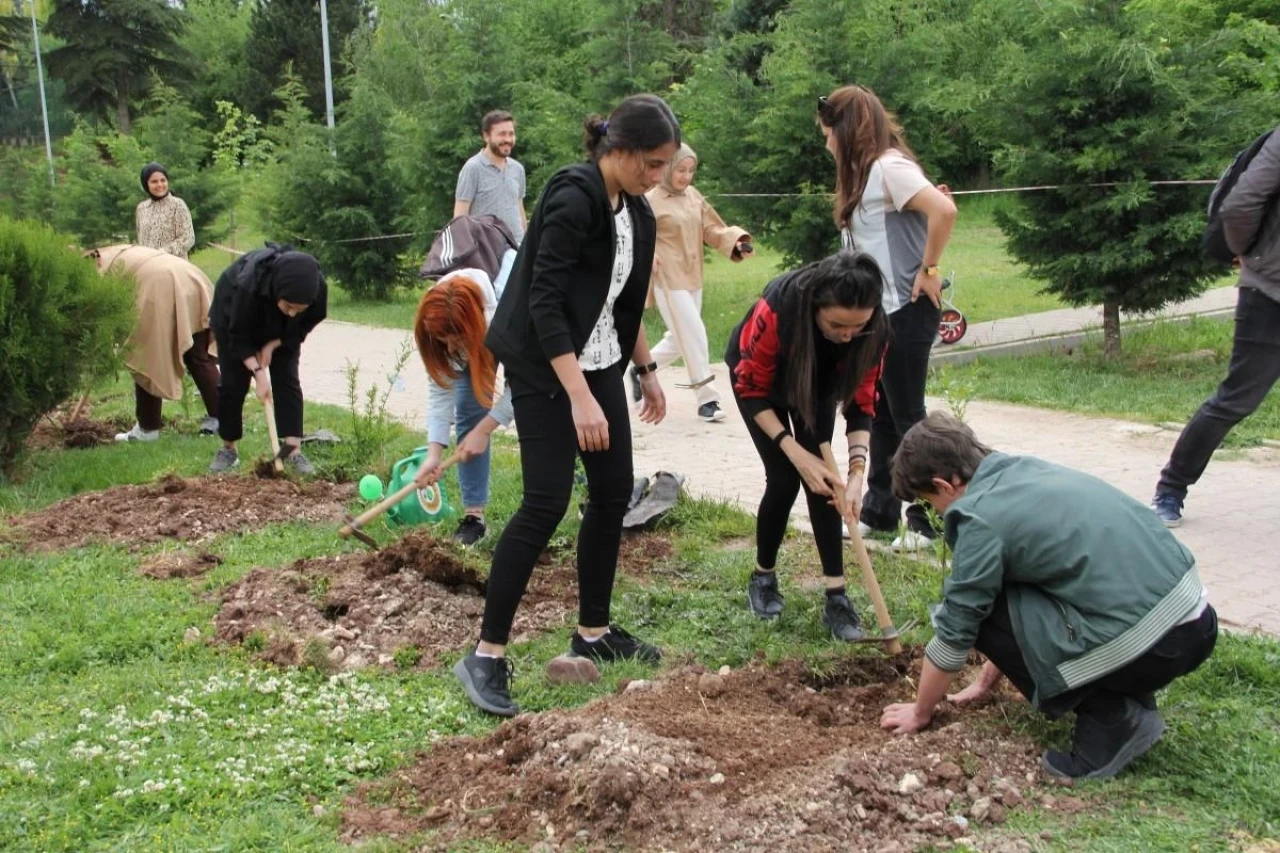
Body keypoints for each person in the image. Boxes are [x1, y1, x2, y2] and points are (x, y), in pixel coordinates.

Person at [453, 94, 680, 717]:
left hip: (600, 360)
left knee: (611, 493)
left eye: (666, 166)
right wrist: (577, 397)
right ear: (621, 149)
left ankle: (594, 633)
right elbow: (546, 302)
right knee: (545, 501)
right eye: (652, 164)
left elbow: (621, 300)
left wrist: (646, 369)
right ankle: (486, 655)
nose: (658, 176)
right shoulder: (572, 195)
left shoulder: (636, 211)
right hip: (542, 361)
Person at [881, 413, 1217, 780]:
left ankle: (1110, 718)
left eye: (930, 501)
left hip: (1156, 646)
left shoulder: (978, 516)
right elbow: (1021, 594)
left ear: (944, 485)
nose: (937, 511)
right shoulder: (1021, 470)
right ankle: (1127, 695)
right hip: (1194, 621)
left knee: (966, 607)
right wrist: (987, 679)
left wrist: (920, 710)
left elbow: (959, 626)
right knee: (996, 594)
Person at [818, 85, 958, 551]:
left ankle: (929, 522)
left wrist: (930, 268)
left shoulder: (888, 168)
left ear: (845, 129)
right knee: (878, 413)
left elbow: (944, 209)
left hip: (907, 312)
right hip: (880, 315)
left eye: (828, 133)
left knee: (909, 416)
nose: (826, 143)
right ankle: (880, 513)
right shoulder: (867, 176)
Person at [726, 251, 889, 640]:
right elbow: (750, 387)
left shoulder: (875, 330)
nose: (847, 335)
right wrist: (795, 453)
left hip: (817, 386)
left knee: (826, 484)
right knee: (784, 479)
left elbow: (863, 404)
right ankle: (763, 576)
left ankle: (836, 598)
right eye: (836, 324)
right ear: (816, 307)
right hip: (761, 383)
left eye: (857, 326)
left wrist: (855, 476)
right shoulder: (779, 309)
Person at [1151, 127, 1280, 527]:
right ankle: (1171, 489)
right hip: (1271, 293)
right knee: (1236, 399)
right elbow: (1240, 204)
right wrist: (1249, 253)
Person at [639, 143, 753, 423]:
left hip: (692, 275)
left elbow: (711, 229)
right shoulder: (649, 199)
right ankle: (708, 398)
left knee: (680, 339)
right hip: (666, 277)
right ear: (667, 168)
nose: (686, 176)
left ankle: (639, 370)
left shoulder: (693, 196)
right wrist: (647, 253)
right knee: (695, 333)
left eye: (691, 170)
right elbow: (637, 234)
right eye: (680, 169)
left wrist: (736, 242)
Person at [413, 268, 516, 546]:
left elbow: (525, 385)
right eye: (442, 341)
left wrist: (486, 428)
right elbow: (441, 389)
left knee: (535, 413)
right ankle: (475, 518)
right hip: (474, 329)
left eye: (455, 340)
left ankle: (539, 507)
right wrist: (434, 453)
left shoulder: (506, 316)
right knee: (469, 409)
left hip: (504, 333)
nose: (447, 349)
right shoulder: (438, 316)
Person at [206, 244, 327, 475]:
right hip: (234, 319)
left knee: (287, 379)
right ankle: (228, 449)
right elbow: (238, 335)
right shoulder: (248, 285)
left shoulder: (316, 289)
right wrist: (258, 373)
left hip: (283, 331)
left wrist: (275, 344)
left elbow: (305, 323)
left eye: (299, 309)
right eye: (289, 306)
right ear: (278, 292)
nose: (293, 312)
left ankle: (292, 450)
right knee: (232, 384)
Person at [91, 245, 220, 441]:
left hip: (160, 285)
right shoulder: (116, 251)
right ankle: (225, 418)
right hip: (190, 276)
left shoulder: (96, 269)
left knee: (144, 355)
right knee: (198, 356)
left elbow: (104, 312)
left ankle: (147, 428)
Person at [454, 111, 528, 244]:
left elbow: (519, 209)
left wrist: (528, 246)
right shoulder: (473, 168)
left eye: (511, 134)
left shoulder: (518, 169)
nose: (508, 139)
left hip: (517, 250)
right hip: (486, 253)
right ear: (486, 136)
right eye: (502, 134)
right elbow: (460, 218)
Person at [135, 163, 196, 259]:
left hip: (173, 266)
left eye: (163, 180)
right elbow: (141, 240)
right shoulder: (142, 208)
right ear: (146, 184)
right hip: (149, 265)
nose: (160, 184)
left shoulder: (177, 205)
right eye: (154, 182)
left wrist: (162, 253)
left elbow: (187, 238)